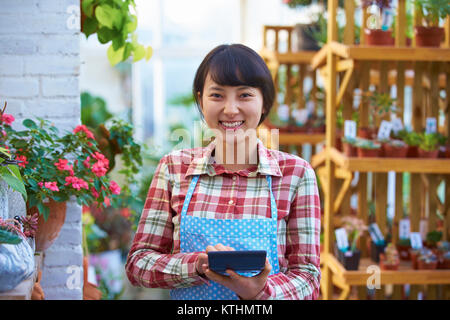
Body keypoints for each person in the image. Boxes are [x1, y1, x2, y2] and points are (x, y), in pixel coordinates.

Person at [125, 44, 321, 300]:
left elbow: (308, 276)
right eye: (217, 95)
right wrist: (196, 265)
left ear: (264, 103)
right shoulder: (173, 169)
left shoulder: (295, 174)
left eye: (245, 95)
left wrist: (261, 293)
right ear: (200, 100)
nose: (230, 109)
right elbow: (138, 264)